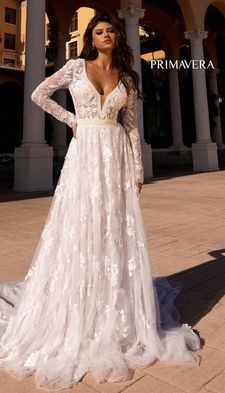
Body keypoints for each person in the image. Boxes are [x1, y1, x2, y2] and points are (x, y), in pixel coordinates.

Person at [0, 11, 201, 391]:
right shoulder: (76, 67)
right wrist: (71, 121)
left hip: (116, 158)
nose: (106, 34)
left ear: (116, 37)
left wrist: (138, 169)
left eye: (110, 30)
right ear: (91, 38)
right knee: (82, 223)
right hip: (85, 154)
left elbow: (130, 126)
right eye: (99, 31)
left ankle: (113, 304)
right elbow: (38, 93)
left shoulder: (127, 77)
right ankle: (78, 304)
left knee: (112, 228)